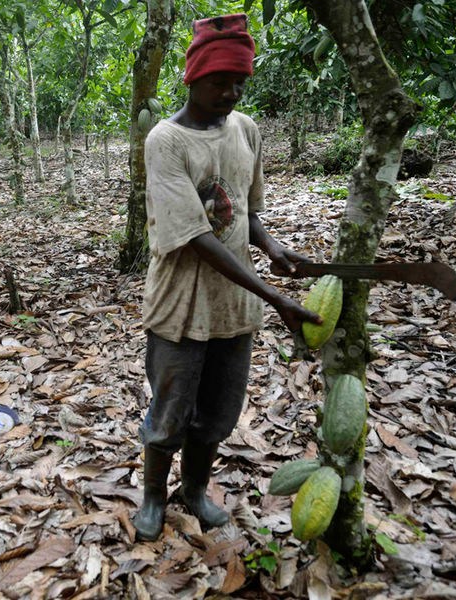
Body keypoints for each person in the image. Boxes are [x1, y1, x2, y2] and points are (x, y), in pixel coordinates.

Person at [132, 14, 322, 541]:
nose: (230, 92)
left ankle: (194, 492)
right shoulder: (165, 141)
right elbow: (196, 236)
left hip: (234, 307)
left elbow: (245, 212)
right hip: (180, 301)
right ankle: (152, 497)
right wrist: (277, 297)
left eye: (239, 82)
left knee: (217, 413)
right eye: (220, 81)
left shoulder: (246, 130)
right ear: (192, 77)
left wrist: (273, 246)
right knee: (170, 411)